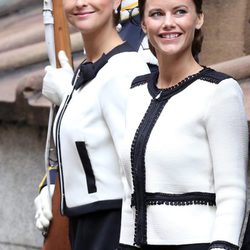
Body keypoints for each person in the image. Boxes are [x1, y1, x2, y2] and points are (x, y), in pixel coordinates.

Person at [117, 0, 249, 249]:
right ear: (144, 24)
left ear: (198, 18)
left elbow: (233, 192)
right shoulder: (136, 92)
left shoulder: (219, 92)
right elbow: (129, 193)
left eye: (180, 11)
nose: (168, 23)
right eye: (157, 14)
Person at [34, 0, 151, 249]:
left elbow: (140, 171)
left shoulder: (124, 69)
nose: (80, 3)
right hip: (85, 225)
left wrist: (68, 96)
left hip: (114, 226)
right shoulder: (90, 68)